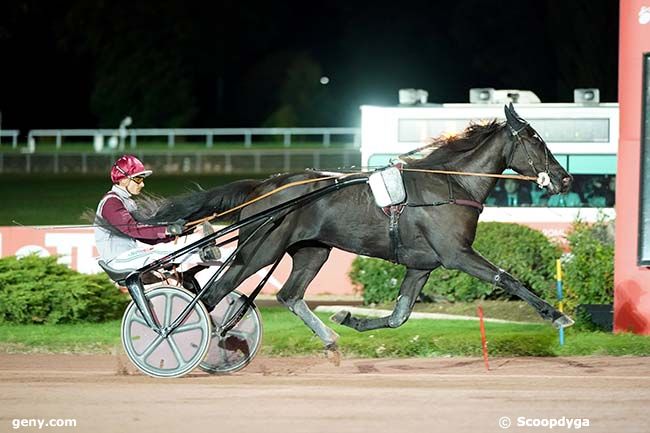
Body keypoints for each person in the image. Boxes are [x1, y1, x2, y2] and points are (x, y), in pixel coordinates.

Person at [94, 155, 221, 273]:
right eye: (138, 179)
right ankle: (205, 254)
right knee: (161, 253)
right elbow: (132, 229)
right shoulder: (111, 202)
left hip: (129, 256)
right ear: (123, 180)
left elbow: (145, 236)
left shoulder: (127, 202)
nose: (142, 184)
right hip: (117, 260)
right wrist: (168, 229)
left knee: (168, 250)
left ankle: (202, 252)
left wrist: (178, 233)